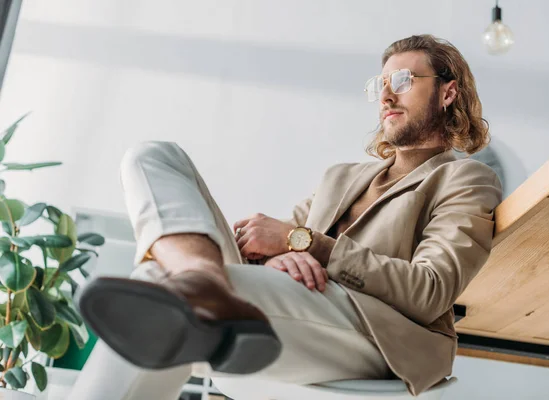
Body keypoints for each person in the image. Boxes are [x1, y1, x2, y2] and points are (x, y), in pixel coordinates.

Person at [68, 34, 502, 399]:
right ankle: (201, 279)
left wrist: (306, 244)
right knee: (152, 156)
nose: (386, 95)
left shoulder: (465, 179)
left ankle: (199, 287)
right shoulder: (342, 176)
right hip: (299, 304)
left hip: (376, 333)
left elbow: (430, 292)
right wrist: (274, 255)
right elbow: (267, 244)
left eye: (404, 80)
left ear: (448, 92)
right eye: (381, 84)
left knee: (156, 287)